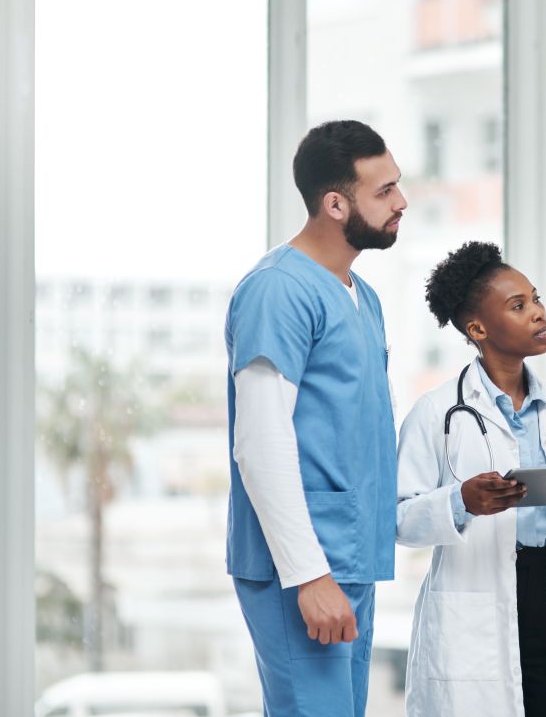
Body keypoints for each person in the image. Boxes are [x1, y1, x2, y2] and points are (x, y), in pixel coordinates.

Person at [224, 120, 406, 717]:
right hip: (303, 569)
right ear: (335, 204)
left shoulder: (362, 295)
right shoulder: (278, 290)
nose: (400, 202)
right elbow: (260, 443)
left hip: (349, 559)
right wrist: (309, 575)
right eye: (384, 192)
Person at [396, 241, 546, 717]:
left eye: (536, 299)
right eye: (519, 306)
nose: (538, 313)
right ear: (478, 328)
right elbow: (399, 519)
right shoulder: (436, 412)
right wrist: (461, 502)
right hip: (474, 606)